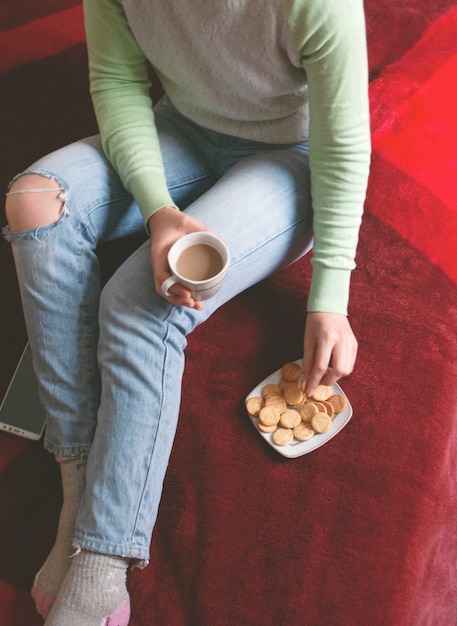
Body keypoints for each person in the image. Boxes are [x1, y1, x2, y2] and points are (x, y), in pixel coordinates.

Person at [4, 0, 371, 624]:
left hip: (290, 154)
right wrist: (157, 209)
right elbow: (118, 82)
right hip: (180, 132)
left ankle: (101, 562)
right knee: (35, 204)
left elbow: (343, 138)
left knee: (138, 301)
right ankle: (80, 479)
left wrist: (330, 297)